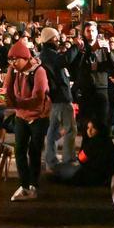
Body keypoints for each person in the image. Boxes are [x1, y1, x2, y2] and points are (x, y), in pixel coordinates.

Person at [4, 38, 50, 201]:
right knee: (19, 150)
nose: (12, 63)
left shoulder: (39, 72)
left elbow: (38, 98)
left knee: (35, 151)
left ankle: (33, 184)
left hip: (38, 117)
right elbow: (5, 90)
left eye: (15, 59)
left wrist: (15, 102)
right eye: (10, 59)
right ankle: (24, 184)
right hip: (21, 116)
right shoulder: (13, 70)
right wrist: (2, 98)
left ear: (26, 58)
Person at [39, 27, 76, 171]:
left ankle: (51, 161)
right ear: (49, 39)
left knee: (52, 131)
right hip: (60, 97)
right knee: (70, 129)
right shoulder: (49, 55)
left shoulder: (45, 54)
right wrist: (75, 47)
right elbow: (64, 60)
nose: (58, 40)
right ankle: (68, 160)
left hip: (54, 98)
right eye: (55, 38)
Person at [69, 22, 114, 127]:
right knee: (86, 122)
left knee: (102, 122)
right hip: (86, 89)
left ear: (97, 32)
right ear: (84, 33)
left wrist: (108, 52)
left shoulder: (103, 47)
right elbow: (76, 67)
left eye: (93, 30)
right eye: (88, 31)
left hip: (101, 88)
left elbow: (113, 66)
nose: (91, 33)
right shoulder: (80, 47)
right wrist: (87, 51)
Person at [52, 119, 114, 187]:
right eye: (88, 128)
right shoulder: (108, 141)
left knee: (64, 169)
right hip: (105, 176)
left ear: (99, 129)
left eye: (93, 128)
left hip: (93, 175)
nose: (89, 131)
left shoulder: (94, 142)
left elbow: (81, 159)